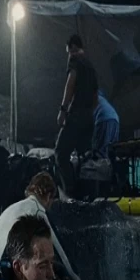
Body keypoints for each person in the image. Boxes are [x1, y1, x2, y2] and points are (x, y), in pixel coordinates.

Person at [0, 171, 86, 280]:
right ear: (49, 196)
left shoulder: (14, 207)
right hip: (0, 272)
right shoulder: (37, 209)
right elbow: (62, 255)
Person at [56, 34, 99, 199]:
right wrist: (89, 113)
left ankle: (70, 193)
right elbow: (96, 98)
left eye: (68, 51)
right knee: (84, 158)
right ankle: (85, 195)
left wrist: (63, 110)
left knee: (61, 153)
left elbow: (70, 84)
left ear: (73, 48)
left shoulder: (75, 61)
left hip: (76, 116)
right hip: (89, 118)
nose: (68, 55)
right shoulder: (91, 66)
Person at [92, 90, 119, 159]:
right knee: (112, 148)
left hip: (103, 118)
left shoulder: (89, 98)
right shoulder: (101, 98)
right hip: (115, 118)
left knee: (99, 152)